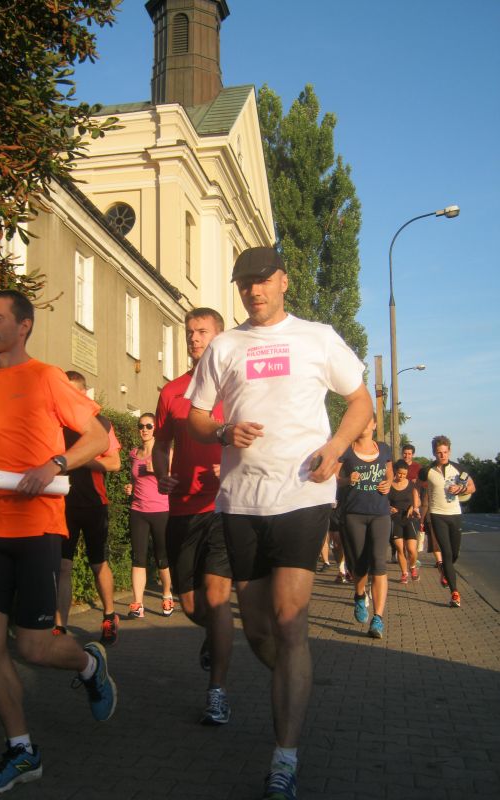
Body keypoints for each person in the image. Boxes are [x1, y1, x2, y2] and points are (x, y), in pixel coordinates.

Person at [185, 247, 372, 800]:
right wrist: (223, 432)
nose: (254, 291)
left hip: (303, 493)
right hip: (241, 501)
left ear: (284, 281)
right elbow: (197, 417)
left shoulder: (317, 337)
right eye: (244, 283)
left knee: (290, 623)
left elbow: (360, 400)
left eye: (262, 280)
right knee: (260, 631)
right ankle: (295, 679)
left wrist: (337, 447)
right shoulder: (224, 346)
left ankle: (284, 758)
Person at [0, 290, 117, 796]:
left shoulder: (47, 378)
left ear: (24, 326)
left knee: (34, 647)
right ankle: (22, 750)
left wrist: (55, 464)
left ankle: (89, 664)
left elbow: (98, 437)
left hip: (38, 527)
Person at [152, 307, 234, 726]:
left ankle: (217, 692)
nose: (194, 338)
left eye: (202, 331)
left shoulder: (235, 387)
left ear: (219, 337)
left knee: (217, 599)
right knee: (189, 604)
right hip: (182, 507)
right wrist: (161, 474)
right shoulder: (173, 392)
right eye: (190, 332)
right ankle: (214, 635)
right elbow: (160, 444)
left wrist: (233, 465)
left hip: (223, 506)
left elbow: (259, 439)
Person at [54, 371, 121, 646]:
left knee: (98, 564)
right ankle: (59, 627)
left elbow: (115, 463)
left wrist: (81, 459)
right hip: (63, 503)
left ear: (83, 394)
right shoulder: (56, 424)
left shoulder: (101, 423)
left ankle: (109, 616)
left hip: (94, 504)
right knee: (63, 566)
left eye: (71, 391)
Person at [338, 416, 393, 638]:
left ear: (374, 425)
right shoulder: (346, 449)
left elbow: (389, 471)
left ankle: (378, 619)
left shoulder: (384, 449)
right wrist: (347, 480)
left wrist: (389, 483)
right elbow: (334, 477)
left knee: (379, 563)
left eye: (367, 421)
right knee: (359, 564)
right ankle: (360, 596)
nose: (363, 425)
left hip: (380, 513)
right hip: (354, 514)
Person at [123, 412, 173, 618]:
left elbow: (174, 481)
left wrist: (160, 473)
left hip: (161, 510)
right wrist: (130, 486)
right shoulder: (134, 454)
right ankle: (138, 604)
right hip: (138, 511)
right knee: (138, 558)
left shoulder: (166, 453)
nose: (144, 429)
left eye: (149, 426)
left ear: (155, 429)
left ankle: (167, 595)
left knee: (162, 557)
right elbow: (135, 479)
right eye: (141, 426)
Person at [419, 435, 476, 608]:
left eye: (445, 452)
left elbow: (472, 487)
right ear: (434, 453)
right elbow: (417, 485)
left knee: (455, 553)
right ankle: (455, 593)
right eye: (439, 452)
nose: (442, 455)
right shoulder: (427, 471)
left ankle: (444, 570)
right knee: (447, 553)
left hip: (455, 514)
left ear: (449, 451)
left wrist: (461, 488)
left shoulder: (459, 469)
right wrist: (417, 504)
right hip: (437, 515)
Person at [388, 459, 421, 583]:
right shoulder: (389, 485)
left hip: (409, 519)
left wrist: (413, 507)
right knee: (400, 548)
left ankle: (412, 567)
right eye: (399, 473)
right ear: (395, 472)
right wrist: (388, 507)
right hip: (395, 519)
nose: (401, 476)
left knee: (412, 550)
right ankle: (404, 573)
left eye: (404, 474)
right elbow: (383, 501)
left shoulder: (411, 485)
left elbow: (418, 501)